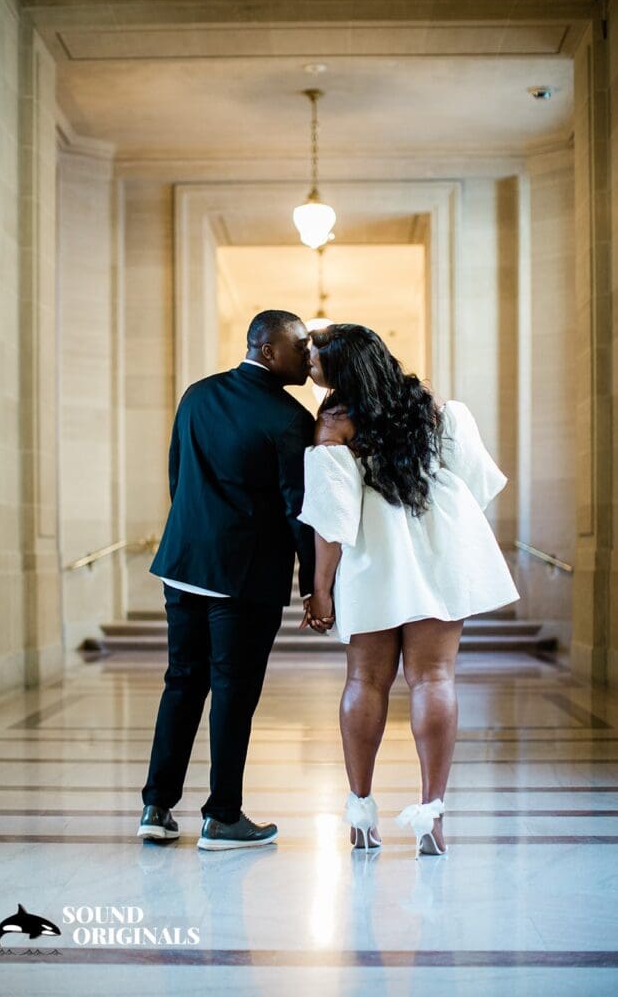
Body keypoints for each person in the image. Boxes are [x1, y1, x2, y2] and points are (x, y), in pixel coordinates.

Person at [298, 324, 519, 855]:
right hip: (440, 555)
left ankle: (360, 814)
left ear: (341, 368)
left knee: (365, 681)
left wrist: (319, 589)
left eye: (314, 360)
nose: (308, 366)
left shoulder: (333, 424)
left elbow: (332, 521)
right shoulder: (434, 408)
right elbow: (476, 484)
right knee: (434, 678)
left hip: (374, 560)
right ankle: (432, 816)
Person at [138, 310, 316, 850]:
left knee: (182, 683)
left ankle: (156, 807)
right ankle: (222, 815)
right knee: (233, 695)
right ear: (267, 349)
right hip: (244, 577)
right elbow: (298, 508)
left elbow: (177, 474)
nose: (308, 357)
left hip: (184, 563)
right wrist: (313, 582)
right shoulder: (290, 418)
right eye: (299, 346)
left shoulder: (197, 394)